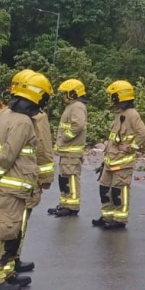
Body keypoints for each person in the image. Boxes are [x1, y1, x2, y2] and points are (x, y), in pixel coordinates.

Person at [0, 73, 45, 290]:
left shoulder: (5, 114)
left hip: (7, 185)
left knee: (4, 230)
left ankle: (2, 274)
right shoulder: (23, 122)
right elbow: (7, 156)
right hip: (11, 187)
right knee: (1, 233)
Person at [3, 71, 53, 275]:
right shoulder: (35, 118)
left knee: (0, 220)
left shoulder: (4, 113)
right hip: (24, 178)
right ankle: (10, 260)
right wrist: (46, 176)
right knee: (18, 221)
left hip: (5, 178)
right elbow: (42, 148)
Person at [94, 80, 145, 230]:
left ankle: (119, 220)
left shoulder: (131, 114)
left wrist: (130, 147)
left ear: (120, 97)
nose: (111, 98)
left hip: (123, 163)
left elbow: (142, 133)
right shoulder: (119, 114)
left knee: (118, 191)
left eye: (113, 95)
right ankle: (107, 216)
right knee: (104, 189)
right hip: (111, 161)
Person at [48, 79, 87, 217]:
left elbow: (78, 125)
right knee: (64, 178)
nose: (63, 95)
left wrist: (65, 137)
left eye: (65, 93)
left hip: (71, 151)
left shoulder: (77, 106)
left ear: (72, 93)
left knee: (71, 178)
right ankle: (65, 203)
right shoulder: (72, 106)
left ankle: (72, 206)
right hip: (67, 151)